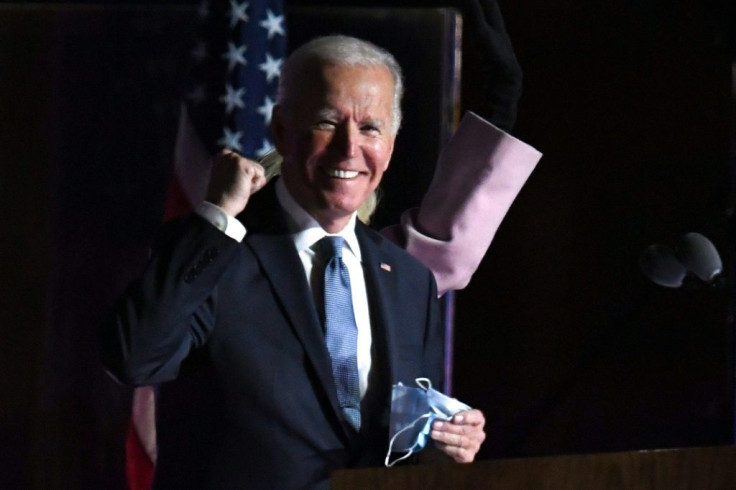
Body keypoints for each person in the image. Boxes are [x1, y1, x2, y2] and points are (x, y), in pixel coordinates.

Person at [102, 35, 487, 489]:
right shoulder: (217, 251)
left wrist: (441, 446)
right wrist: (218, 217)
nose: (349, 148)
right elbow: (133, 359)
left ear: (392, 143)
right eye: (328, 121)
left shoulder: (408, 280)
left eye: (370, 128)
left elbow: (395, 446)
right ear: (282, 130)